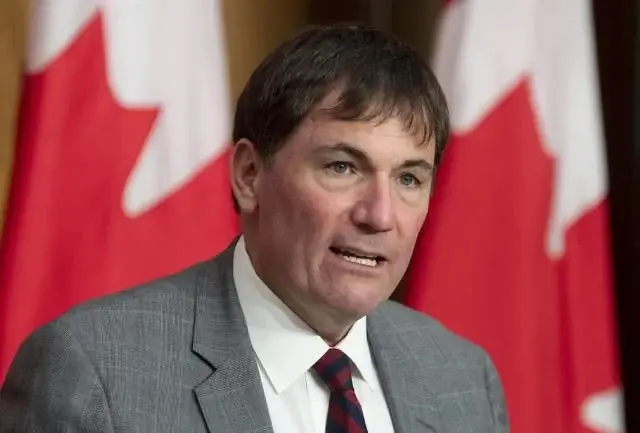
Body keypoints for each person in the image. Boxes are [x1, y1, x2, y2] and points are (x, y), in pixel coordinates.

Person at [0, 24, 508, 432]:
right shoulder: (94, 373)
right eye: (342, 167)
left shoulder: (463, 379)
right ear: (249, 175)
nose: (379, 215)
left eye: (409, 178)